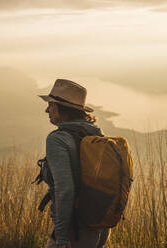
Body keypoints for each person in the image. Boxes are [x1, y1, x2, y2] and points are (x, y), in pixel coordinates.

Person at [38, 79, 110, 248]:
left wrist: (61, 239)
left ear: (62, 109)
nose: (47, 109)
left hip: (74, 231)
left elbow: (65, 190)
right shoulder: (97, 135)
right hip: (100, 227)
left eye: (51, 105)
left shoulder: (57, 139)